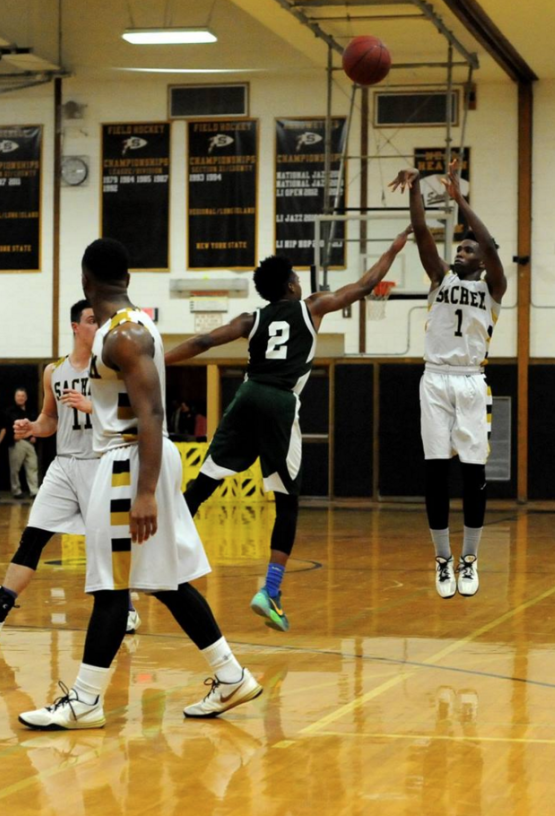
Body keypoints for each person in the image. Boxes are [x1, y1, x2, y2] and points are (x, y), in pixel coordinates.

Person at [18, 239, 262, 730]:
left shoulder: (121, 336)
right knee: (164, 581)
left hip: (131, 460)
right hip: (142, 457)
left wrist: (145, 491)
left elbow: (150, 412)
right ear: (126, 278)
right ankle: (230, 675)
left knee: (113, 584)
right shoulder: (137, 323)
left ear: (86, 281)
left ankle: (86, 700)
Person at [164, 228, 411, 632]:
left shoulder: (251, 319)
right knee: (286, 502)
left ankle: (161, 552)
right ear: (293, 285)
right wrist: (394, 247)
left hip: (246, 395)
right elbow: (366, 285)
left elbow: (204, 340)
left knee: (204, 484)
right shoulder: (312, 307)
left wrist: (158, 361)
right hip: (279, 400)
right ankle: (271, 592)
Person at [0, 299, 140, 641]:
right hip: (64, 464)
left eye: (99, 321)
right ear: (75, 327)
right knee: (34, 534)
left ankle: (126, 609)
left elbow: (128, 415)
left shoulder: (111, 368)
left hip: (100, 463)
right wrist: (32, 427)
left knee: (105, 543)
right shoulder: (54, 371)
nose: (97, 327)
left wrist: (91, 406)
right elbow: (51, 419)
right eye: (90, 321)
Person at [389, 158, 506, 599]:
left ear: (480, 262)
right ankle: (442, 559)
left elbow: (493, 246)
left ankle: (470, 557)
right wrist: (418, 186)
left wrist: (461, 200)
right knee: (436, 473)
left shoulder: (492, 288)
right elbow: (422, 234)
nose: (460, 253)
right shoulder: (440, 278)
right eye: (458, 249)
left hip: (472, 382)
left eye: (467, 251)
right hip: (435, 380)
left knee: (473, 474)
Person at [6, 388, 39, 499]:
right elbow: (6, 428)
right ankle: (16, 491)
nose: (20, 398)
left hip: (30, 443)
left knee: (32, 467)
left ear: (26, 398)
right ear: (15, 398)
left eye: (22, 396)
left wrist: (35, 435)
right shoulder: (10, 411)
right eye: (18, 396)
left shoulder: (32, 411)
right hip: (17, 443)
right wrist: (13, 437)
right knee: (15, 469)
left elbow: (36, 425)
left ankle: (34, 491)